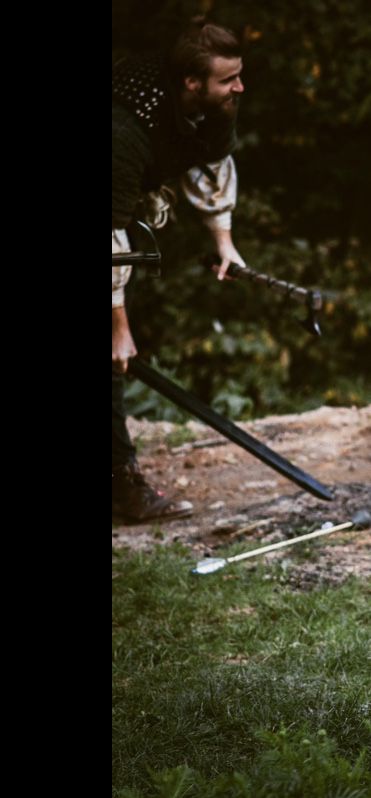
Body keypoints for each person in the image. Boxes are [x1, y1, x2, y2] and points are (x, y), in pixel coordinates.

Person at [112, 16, 246, 523]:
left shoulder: (214, 105)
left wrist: (223, 242)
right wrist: (118, 327)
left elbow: (210, 162)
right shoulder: (123, 129)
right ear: (192, 82)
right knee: (112, 360)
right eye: (228, 79)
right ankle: (122, 485)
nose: (240, 87)